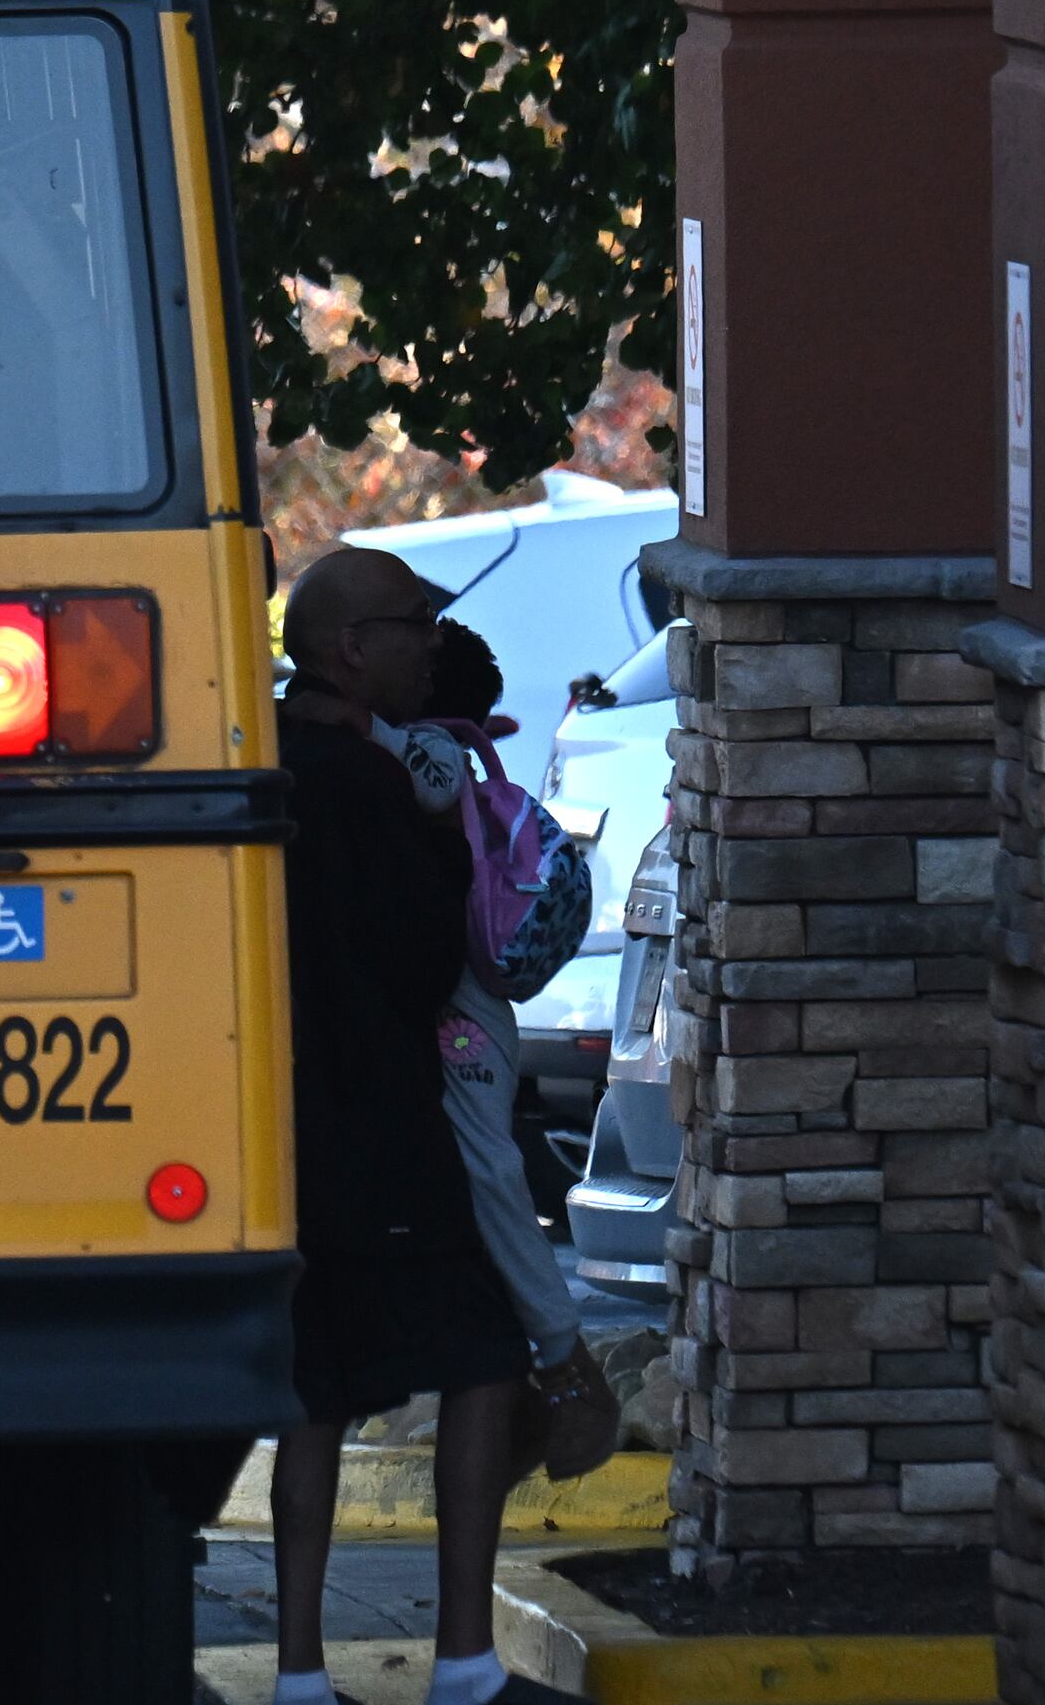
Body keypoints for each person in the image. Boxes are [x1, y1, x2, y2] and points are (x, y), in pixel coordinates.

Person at [269, 548, 575, 1705]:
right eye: (411, 626)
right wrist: (452, 846)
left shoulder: (265, 766)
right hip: (386, 1135)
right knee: (484, 1360)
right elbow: (421, 952)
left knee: (313, 1392)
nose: (428, 646)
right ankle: (464, 1667)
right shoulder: (368, 786)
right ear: (351, 649)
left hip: (286, 1140)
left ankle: (298, 1673)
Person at [394, 621, 621, 1485]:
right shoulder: (459, 762)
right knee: (482, 1172)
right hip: (481, 996)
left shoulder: (425, 760)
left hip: (458, 1001)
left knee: (489, 1172)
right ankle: (544, 1384)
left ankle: (565, 1370)